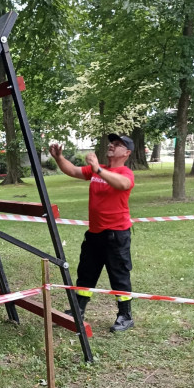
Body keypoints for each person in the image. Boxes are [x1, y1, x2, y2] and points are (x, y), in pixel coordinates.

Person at [49, 134, 136, 333]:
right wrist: (59, 158)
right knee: (86, 273)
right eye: (112, 143)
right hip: (95, 233)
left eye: (118, 144)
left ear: (127, 153)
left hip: (116, 235)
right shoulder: (98, 171)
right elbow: (73, 170)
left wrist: (97, 168)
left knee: (119, 276)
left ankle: (125, 316)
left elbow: (122, 184)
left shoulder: (125, 172)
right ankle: (77, 310)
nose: (112, 145)